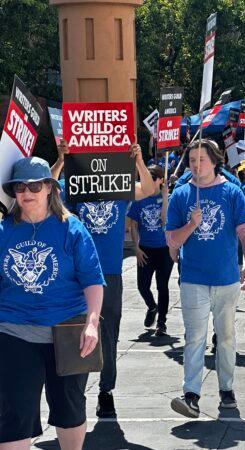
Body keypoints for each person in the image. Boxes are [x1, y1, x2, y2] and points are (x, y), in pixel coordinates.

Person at [0, 157, 104, 450]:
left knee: (69, 410)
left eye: (34, 185)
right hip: (14, 332)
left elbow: (93, 281)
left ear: (49, 188)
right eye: (19, 186)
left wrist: (92, 323)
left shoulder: (71, 229)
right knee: (14, 414)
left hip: (68, 330)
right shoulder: (3, 232)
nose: (26, 192)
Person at [51, 141, 155, 418]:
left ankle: (105, 392)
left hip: (109, 272)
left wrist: (138, 163)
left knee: (108, 336)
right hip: (76, 273)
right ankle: (77, 393)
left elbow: (149, 189)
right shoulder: (76, 189)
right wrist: (61, 160)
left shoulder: (118, 188)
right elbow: (47, 190)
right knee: (77, 332)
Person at [166, 139, 245, 417]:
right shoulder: (181, 195)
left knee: (226, 337)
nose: (195, 164)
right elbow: (172, 241)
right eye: (192, 160)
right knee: (194, 338)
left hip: (227, 279)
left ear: (215, 161)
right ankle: (191, 393)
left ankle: (227, 390)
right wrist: (192, 224)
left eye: (201, 159)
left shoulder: (232, 192)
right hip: (193, 279)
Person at [127, 165, 173, 336]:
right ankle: (152, 307)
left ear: (161, 180)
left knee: (163, 286)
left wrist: (165, 198)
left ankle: (162, 322)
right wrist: (136, 247)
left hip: (164, 249)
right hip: (145, 249)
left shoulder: (167, 197)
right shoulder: (139, 198)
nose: (150, 181)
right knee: (142, 285)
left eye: (153, 177)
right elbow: (133, 224)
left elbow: (164, 221)